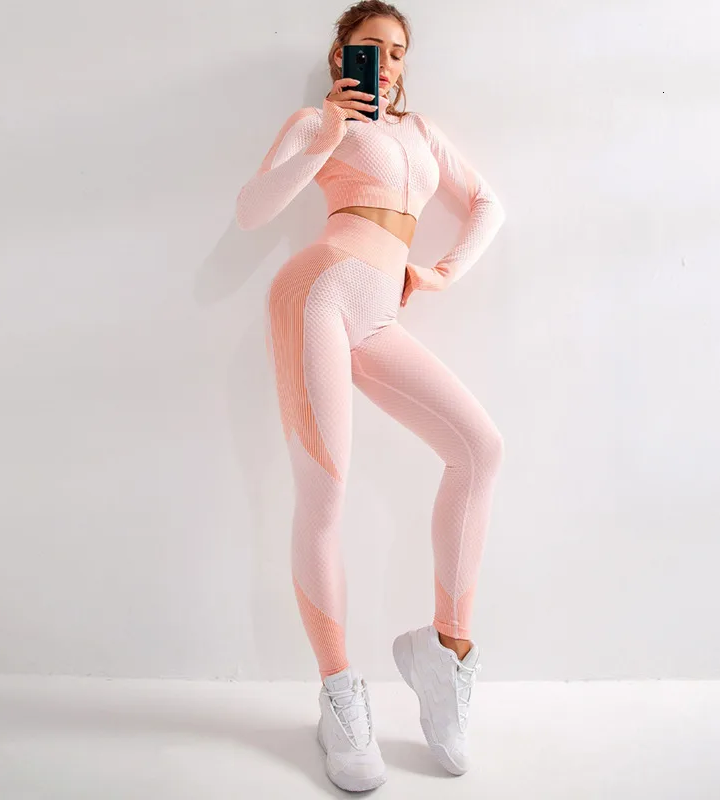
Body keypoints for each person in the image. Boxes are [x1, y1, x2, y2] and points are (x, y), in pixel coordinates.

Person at [235, 1, 506, 791]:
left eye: (395, 51)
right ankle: (338, 692)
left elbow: (488, 204)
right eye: (368, 48)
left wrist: (440, 272)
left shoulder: (423, 135)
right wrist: (325, 132)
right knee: (327, 494)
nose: (383, 62)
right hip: (316, 293)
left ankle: (444, 650)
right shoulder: (318, 122)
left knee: (479, 448)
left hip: (379, 312)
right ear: (339, 58)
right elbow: (251, 211)